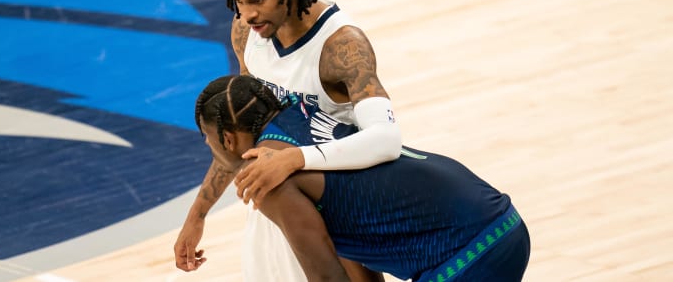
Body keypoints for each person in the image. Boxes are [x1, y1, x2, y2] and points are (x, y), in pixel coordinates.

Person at [174, 0, 402, 281]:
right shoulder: (246, 34)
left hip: (337, 220)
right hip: (275, 208)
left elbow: (387, 140)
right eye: (239, 2)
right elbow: (242, 139)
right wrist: (197, 216)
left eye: (258, 0)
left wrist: (293, 159)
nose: (247, 14)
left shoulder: (342, 46)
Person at [196, 75, 531, 282]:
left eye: (207, 139)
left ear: (227, 139)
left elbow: (327, 276)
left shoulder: (268, 178)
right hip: (494, 218)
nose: (210, 148)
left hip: (463, 252)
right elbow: (352, 242)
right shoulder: (296, 112)